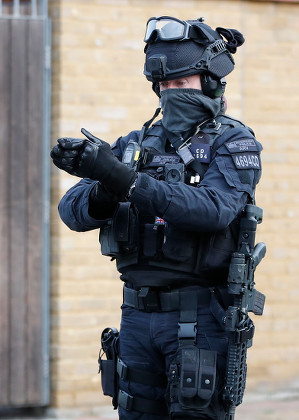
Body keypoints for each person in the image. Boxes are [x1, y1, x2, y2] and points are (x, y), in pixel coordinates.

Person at [51, 16, 263, 420]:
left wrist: (126, 180)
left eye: (181, 84)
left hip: (199, 319)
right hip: (136, 316)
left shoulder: (234, 142)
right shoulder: (134, 143)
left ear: (210, 83)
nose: (171, 94)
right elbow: (71, 212)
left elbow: (214, 209)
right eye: (164, 86)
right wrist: (105, 184)